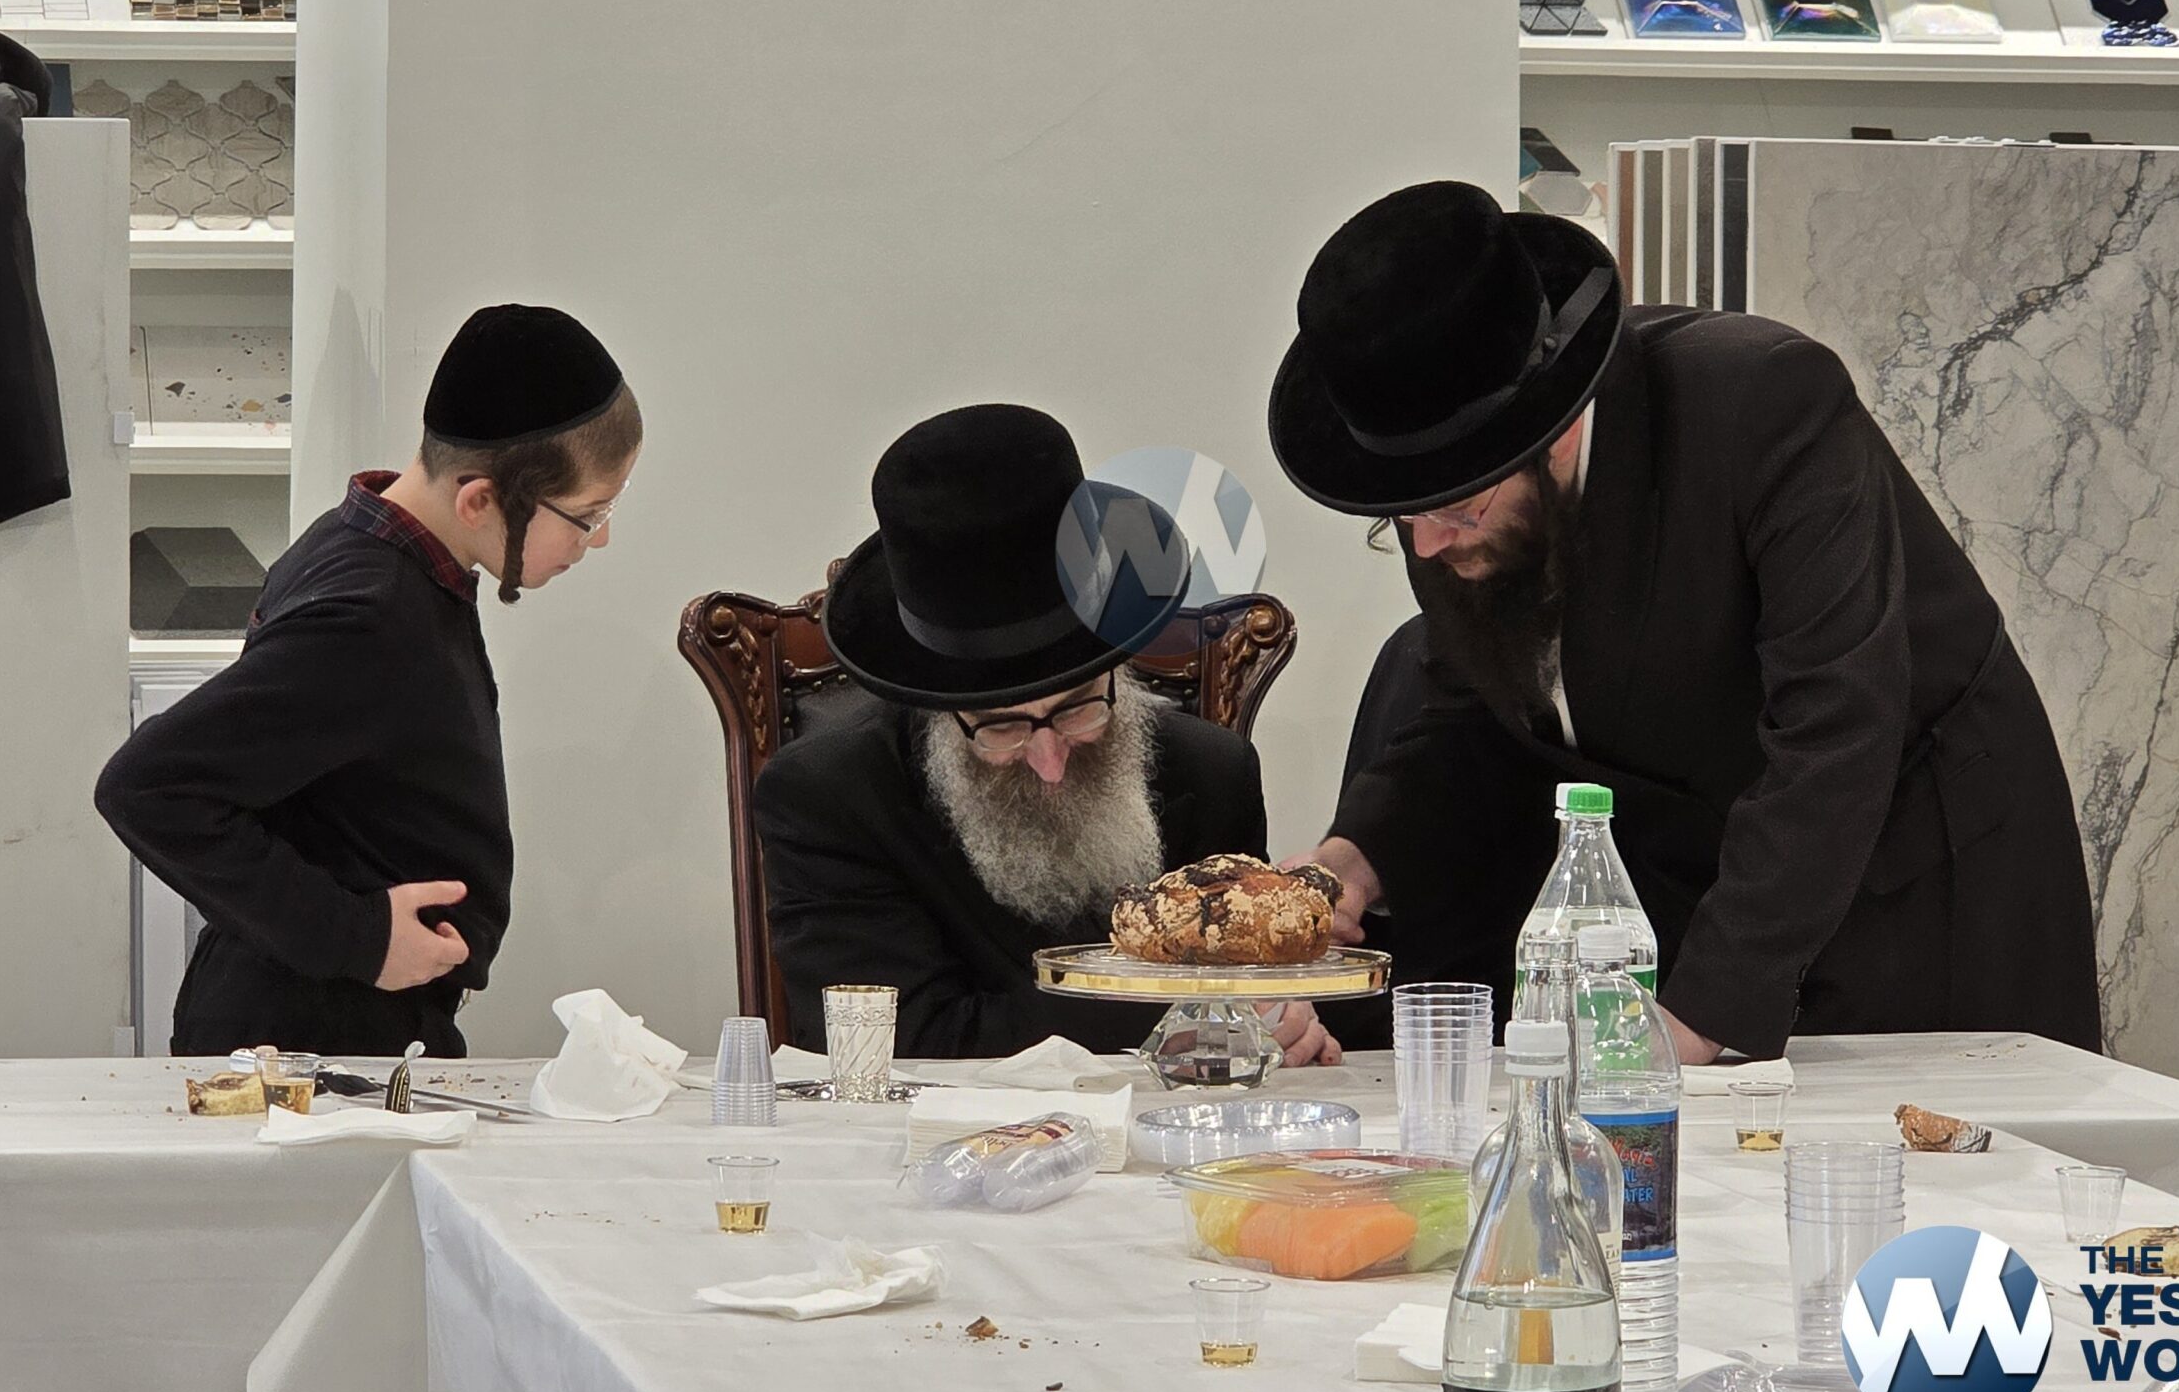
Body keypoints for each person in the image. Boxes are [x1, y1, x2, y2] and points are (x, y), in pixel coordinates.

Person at [1268, 180, 2101, 1064]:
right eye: (1401, 515)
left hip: (1911, 864)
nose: (1427, 544)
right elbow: (1478, 709)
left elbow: (1839, 720)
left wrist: (1699, 1017)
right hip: (1707, 863)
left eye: (1457, 509)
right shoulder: (1444, 501)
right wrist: (1351, 861)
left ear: (1553, 438)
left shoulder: (1764, 405)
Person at [96, 304, 642, 1058]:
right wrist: (356, 937)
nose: (599, 538)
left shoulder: (381, 553)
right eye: (588, 513)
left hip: (347, 1022)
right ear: (479, 500)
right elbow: (147, 786)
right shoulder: (372, 615)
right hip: (308, 1045)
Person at [756, 403, 1339, 1064]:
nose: (1050, 759)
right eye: (1002, 726)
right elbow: (891, 1040)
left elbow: (1251, 985)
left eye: (1079, 708)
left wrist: (1284, 1016)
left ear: (1116, 672)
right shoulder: (827, 797)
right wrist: (1183, 1016)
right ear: (942, 709)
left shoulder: (1213, 773)